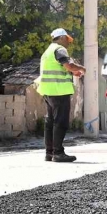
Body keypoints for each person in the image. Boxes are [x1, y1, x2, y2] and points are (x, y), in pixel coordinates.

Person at [37, 28, 86, 162]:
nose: (68, 43)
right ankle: (58, 153)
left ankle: (50, 153)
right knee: (60, 122)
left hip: (48, 91)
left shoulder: (47, 51)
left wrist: (71, 72)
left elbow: (60, 68)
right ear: (62, 37)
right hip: (59, 91)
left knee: (50, 122)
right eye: (67, 40)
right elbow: (69, 65)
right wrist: (81, 69)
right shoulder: (59, 49)